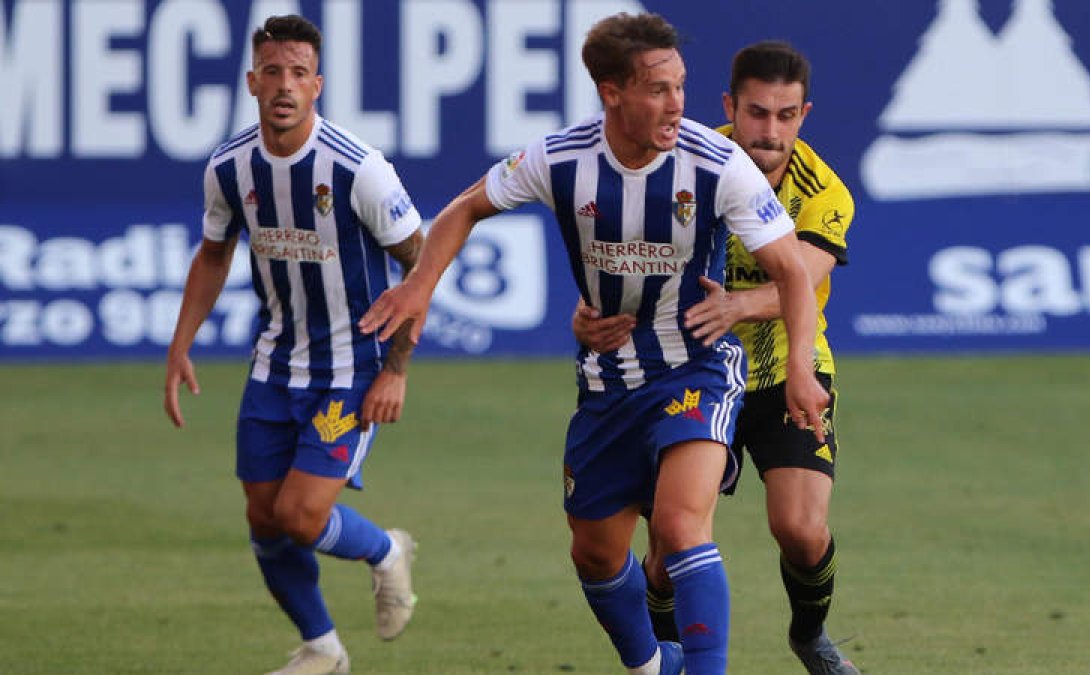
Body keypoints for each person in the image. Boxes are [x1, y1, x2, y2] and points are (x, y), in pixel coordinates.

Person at [358, 13, 829, 675]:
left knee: (678, 526)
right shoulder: (558, 158)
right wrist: (421, 286)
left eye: (681, 86)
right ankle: (649, 665)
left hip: (694, 363)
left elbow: (791, 271)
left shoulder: (716, 163)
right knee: (596, 553)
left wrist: (802, 367)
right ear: (613, 94)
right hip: (609, 379)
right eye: (659, 90)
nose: (677, 104)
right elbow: (465, 207)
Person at [574, 41, 859, 674]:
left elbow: (801, 279)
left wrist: (736, 307)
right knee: (665, 555)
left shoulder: (825, 192)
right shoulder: (687, 160)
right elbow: (623, 252)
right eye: (757, 113)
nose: (770, 130)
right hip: (689, 370)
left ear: (804, 114)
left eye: (786, 116)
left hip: (789, 369)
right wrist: (588, 310)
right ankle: (664, 661)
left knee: (801, 530)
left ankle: (810, 636)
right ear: (731, 106)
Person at [163, 15, 422, 675]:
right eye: (273, 71)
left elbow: (420, 266)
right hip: (275, 364)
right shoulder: (230, 167)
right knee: (263, 516)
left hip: (352, 369)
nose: (285, 85)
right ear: (252, 81)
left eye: (299, 73)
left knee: (302, 516)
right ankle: (323, 648)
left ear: (318, 85)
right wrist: (180, 344)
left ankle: (386, 550)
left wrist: (396, 369)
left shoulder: (357, 167)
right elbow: (214, 254)